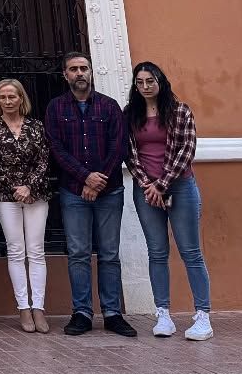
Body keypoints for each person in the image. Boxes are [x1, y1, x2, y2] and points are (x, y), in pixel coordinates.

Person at [44, 51, 136, 338]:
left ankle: (112, 313)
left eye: (84, 68)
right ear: (65, 75)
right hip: (73, 191)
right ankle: (81, 312)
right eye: (74, 69)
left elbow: (118, 145)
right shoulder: (56, 108)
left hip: (109, 191)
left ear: (91, 72)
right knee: (79, 253)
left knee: (109, 254)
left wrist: (97, 181)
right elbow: (55, 148)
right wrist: (85, 177)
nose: (80, 73)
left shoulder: (109, 107)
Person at [126, 61, 212, 341]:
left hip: (180, 186)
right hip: (146, 190)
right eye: (139, 82)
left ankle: (202, 316)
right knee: (157, 252)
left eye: (150, 81)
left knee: (191, 252)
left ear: (160, 81)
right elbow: (130, 153)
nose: (145, 86)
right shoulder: (130, 114)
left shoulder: (180, 111)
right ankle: (162, 313)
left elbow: (186, 151)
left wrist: (161, 185)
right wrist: (147, 185)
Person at [0, 78, 52, 333]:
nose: (8, 101)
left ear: (21, 98)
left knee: (36, 251)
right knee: (15, 250)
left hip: (36, 195)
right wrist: (16, 188)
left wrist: (29, 187)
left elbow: (44, 158)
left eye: (12, 97)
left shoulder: (36, 126)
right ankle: (23, 307)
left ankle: (39, 308)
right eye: (3, 97)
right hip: (6, 196)